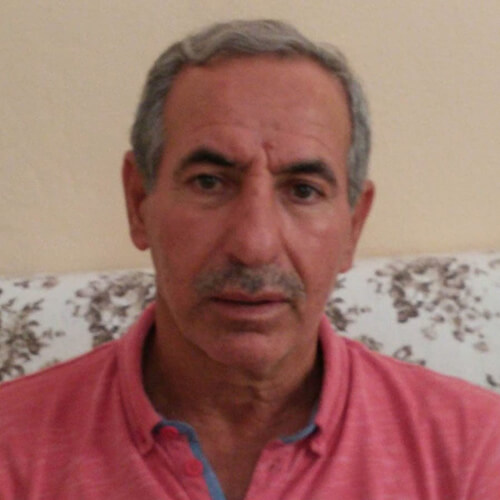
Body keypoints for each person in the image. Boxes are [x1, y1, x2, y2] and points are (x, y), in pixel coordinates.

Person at [1, 19, 499, 500]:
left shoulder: (476, 450)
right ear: (138, 203)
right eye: (209, 182)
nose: (254, 245)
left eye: (303, 190)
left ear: (353, 225)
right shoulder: (11, 448)